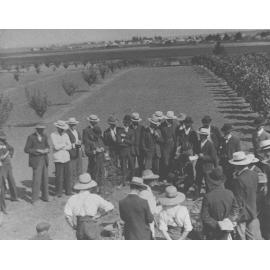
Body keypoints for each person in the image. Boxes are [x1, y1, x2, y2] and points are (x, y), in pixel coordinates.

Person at [64, 173, 114, 240]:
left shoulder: (73, 198)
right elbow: (110, 207)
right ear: (90, 187)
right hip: (91, 224)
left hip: (80, 225)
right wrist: (99, 215)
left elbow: (67, 216)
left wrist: (73, 225)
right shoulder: (95, 197)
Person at [229, 151, 262, 240]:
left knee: (241, 235)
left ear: (236, 165)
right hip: (253, 208)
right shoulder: (254, 174)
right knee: (252, 235)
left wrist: (234, 216)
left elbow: (238, 199)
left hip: (243, 213)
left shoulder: (238, 180)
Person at [201, 167, 239, 240]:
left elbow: (205, 217)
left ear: (210, 182)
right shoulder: (230, 193)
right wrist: (229, 220)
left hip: (212, 230)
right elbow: (235, 209)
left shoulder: (208, 197)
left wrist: (217, 224)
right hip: (227, 228)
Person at [24, 123, 50, 203]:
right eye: (40, 129)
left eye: (43, 129)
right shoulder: (31, 137)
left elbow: (48, 146)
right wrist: (37, 150)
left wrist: (47, 150)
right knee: (36, 180)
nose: (42, 130)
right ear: (37, 129)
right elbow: (26, 149)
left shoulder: (45, 136)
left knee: (45, 179)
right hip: (36, 161)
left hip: (44, 160)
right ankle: (34, 199)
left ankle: (45, 197)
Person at [50, 120, 72, 197]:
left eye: (63, 128)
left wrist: (61, 146)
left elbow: (70, 146)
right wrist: (64, 145)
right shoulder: (53, 135)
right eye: (60, 128)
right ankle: (58, 192)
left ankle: (68, 191)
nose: (62, 130)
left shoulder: (65, 135)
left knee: (67, 175)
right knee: (59, 176)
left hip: (66, 157)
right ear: (57, 127)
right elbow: (55, 146)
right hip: (58, 158)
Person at [195, 127, 218, 195]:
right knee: (198, 181)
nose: (200, 136)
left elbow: (213, 157)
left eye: (201, 135)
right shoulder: (198, 143)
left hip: (207, 167)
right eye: (200, 135)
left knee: (208, 182)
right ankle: (197, 194)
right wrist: (196, 155)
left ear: (205, 136)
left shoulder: (210, 144)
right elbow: (197, 151)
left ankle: (208, 195)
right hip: (199, 165)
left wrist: (204, 157)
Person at [219, 123, 241, 191]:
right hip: (223, 163)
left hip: (232, 163)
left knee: (231, 178)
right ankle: (226, 191)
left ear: (230, 132)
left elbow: (239, 151)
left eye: (227, 132)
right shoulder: (221, 139)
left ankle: (231, 192)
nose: (225, 133)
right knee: (224, 178)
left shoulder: (235, 139)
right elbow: (219, 150)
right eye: (224, 132)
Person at [116, 115, 135, 187]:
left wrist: (124, 139)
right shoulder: (119, 130)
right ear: (123, 122)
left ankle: (132, 181)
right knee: (123, 166)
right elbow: (118, 142)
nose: (126, 123)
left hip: (130, 152)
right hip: (123, 151)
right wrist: (127, 142)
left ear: (130, 123)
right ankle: (123, 181)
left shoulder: (132, 131)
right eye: (125, 122)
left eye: (128, 122)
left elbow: (132, 142)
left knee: (132, 166)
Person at [0, 130, 18, 202]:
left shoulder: (6, 144)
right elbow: (1, 157)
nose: (3, 140)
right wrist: (6, 154)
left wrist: (11, 154)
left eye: (4, 139)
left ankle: (14, 197)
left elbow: (11, 149)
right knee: (2, 181)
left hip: (8, 165)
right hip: (2, 166)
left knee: (11, 180)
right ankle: (2, 198)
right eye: (2, 139)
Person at [159, 111, 178, 179]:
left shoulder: (175, 125)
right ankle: (164, 176)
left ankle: (171, 177)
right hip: (165, 146)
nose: (171, 120)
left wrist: (176, 145)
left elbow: (176, 136)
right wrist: (164, 142)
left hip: (173, 145)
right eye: (169, 119)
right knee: (165, 161)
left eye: (172, 119)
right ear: (166, 119)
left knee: (172, 161)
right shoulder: (162, 125)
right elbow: (160, 136)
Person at [82, 114, 102, 179]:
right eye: (94, 121)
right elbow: (85, 141)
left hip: (99, 151)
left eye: (96, 122)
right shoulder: (86, 130)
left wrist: (100, 147)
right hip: (91, 151)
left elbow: (100, 139)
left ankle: (98, 182)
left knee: (99, 168)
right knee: (92, 167)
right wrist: (94, 149)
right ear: (90, 122)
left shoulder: (98, 128)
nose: (95, 123)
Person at [66, 117, 82, 187]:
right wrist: (74, 145)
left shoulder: (77, 131)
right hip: (71, 153)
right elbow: (67, 144)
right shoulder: (67, 133)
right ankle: (72, 185)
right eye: (71, 125)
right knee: (72, 169)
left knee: (79, 168)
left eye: (74, 124)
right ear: (69, 125)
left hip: (78, 151)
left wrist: (80, 142)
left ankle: (78, 183)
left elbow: (80, 139)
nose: (73, 126)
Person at [92, 125, 106, 191]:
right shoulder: (91, 141)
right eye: (97, 134)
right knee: (96, 173)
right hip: (95, 159)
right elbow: (88, 151)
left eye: (99, 134)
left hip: (101, 158)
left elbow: (104, 146)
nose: (98, 136)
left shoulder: (100, 139)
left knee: (102, 172)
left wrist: (103, 148)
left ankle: (101, 187)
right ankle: (95, 187)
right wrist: (95, 151)